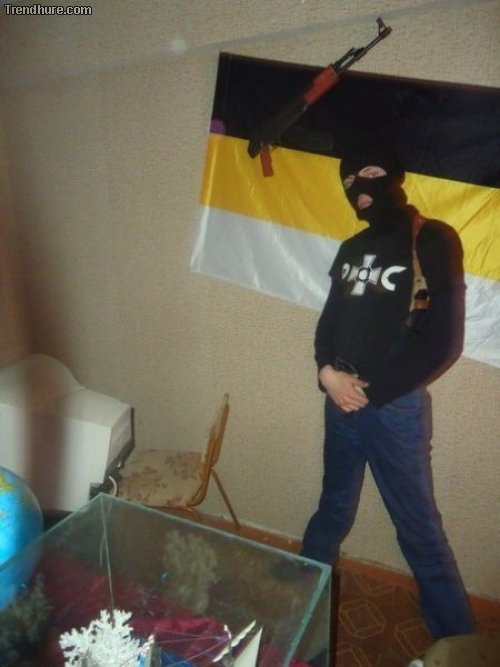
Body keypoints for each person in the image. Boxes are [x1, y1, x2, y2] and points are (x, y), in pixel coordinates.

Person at [300, 141, 475, 643]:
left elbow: (443, 342)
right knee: (333, 506)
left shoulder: (432, 238)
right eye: (348, 180)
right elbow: (329, 323)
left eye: (370, 173)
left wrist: (371, 394)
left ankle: (458, 641)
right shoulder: (351, 249)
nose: (358, 187)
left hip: (392, 409)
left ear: (393, 175)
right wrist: (326, 374)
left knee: (418, 528)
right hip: (339, 398)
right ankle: (299, 597)